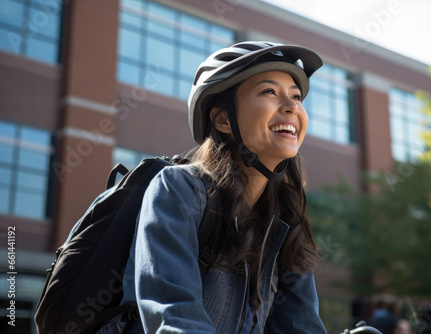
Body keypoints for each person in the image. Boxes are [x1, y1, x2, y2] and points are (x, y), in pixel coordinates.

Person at [97, 41, 327, 333]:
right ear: (222, 119)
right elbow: (174, 318)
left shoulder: (285, 219)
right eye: (269, 92)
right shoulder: (178, 190)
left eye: (296, 97)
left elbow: (301, 326)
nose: (292, 106)